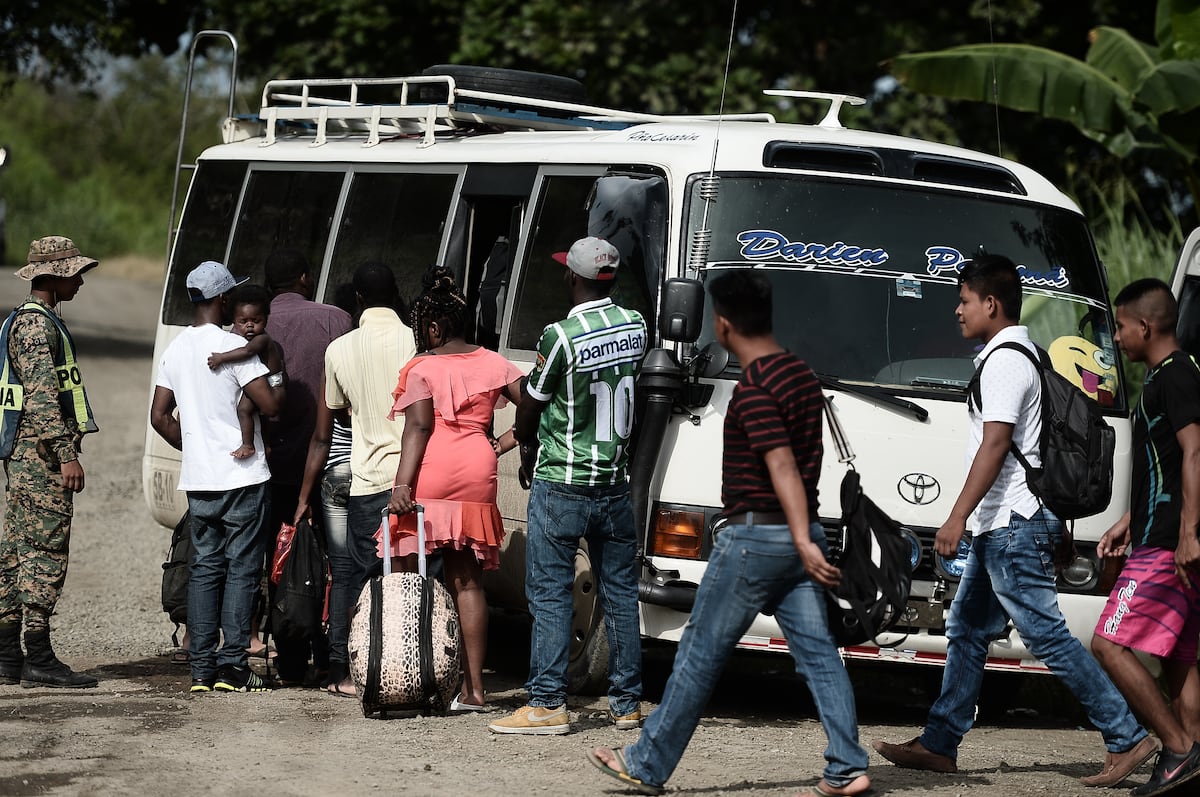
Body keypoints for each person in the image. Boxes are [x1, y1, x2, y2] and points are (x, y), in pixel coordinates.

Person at [872, 255, 1155, 787]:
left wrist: (955, 518)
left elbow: (997, 445)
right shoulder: (1027, 353)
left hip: (1011, 525)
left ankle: (1127, 736)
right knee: (967, 629)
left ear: (991, 304)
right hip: (1009, 523)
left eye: (963, 300)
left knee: (1046, 636)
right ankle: (939, 743)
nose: (957, 311)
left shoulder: (1005, 361)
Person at [586, 269, 869, 797]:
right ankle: (848, 765)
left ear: (722, 322)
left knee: (699, 655)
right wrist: (806, 538)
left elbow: (781, 464)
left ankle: (646, 763)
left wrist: (803, 537)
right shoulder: (802, 376)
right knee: (819, 655)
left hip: (756, 540)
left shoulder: (757, 386)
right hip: (796, 542)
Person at [489, 237, 646, 736]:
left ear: (572, 278)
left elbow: (531, 405)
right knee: (620, 595)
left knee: (551, 595)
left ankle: (547, 703)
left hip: (563, 483)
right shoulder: (637, 326)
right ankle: (625, 704)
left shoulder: (561, 335)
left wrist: (527, 445)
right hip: (615, 483)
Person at [385, 268, 524, 711]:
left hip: (433, 471)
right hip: (477, 471)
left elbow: (420, 427)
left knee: (408, 571)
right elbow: (537, 408)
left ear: (432, 326)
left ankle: (408, 672)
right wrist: (499, 445)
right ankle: (475, 690)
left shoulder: (423, 367)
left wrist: (402, 485)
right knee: (468, 581)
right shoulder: (496, 363)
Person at [150, 260, 286, 694]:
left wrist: (193, 447)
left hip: (200, 479)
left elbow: (158, 416)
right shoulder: (232, 347)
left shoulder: (175, 349)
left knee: (206, 569)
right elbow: (271, 406)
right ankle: (232, 667)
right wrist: (277, 371)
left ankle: (201, 670)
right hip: (242, 476)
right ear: (223, 299)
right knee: (243, 570)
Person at [1090, 278, 1200, 796]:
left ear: (1145, 326)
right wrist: (1127, 522)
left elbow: (1196, 453)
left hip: (1168, 544)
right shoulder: (1161, 378)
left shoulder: (1178, 375)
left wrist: (1189, 533)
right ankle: (1190, 754)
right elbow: (1168, 466)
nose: (1115, 337)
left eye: (1119, 325)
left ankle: (1176, 746)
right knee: (1179, 656)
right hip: (1155, 532)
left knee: (1108, 643)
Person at [0, 235, 100, 689]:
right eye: (75, 273)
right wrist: (66, 455)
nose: (80, 281)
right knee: (44, 553)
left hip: (22, 456)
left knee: (16, 551)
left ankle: (6, 655)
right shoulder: (37, 327)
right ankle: (37, 656)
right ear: (56, 276)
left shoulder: (25, 322)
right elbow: (42, 399)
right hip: (39, 458)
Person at [322, 262, 415, 698]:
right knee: (411, 576)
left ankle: (350, 670)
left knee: (359, 576)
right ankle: (409, 665)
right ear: (396, 294)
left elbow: (338, 407)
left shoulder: (339, 348)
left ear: (357, 299)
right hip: (413, 479)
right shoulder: (417, 341)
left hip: (365, 478)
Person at [261, 249, 352, 685]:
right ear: (303, 277)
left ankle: (289, 657)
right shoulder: (336, 319)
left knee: (280, 559)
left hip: (271, 464)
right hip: (328, 458)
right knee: (331, 562)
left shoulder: (253, 326)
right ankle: (329, 655)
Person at [206, 284, 285, 460]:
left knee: (244, 410)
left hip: (274, 385)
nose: (250, 326)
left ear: (266, 319)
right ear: (234, 321)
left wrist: (221, 358)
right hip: (269, 383)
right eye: (243, 322)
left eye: (256, 321)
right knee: (259, 417)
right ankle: (265, 445)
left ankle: (248, 445)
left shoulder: (261, 339)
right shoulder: (245, 338)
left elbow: (247, 352)